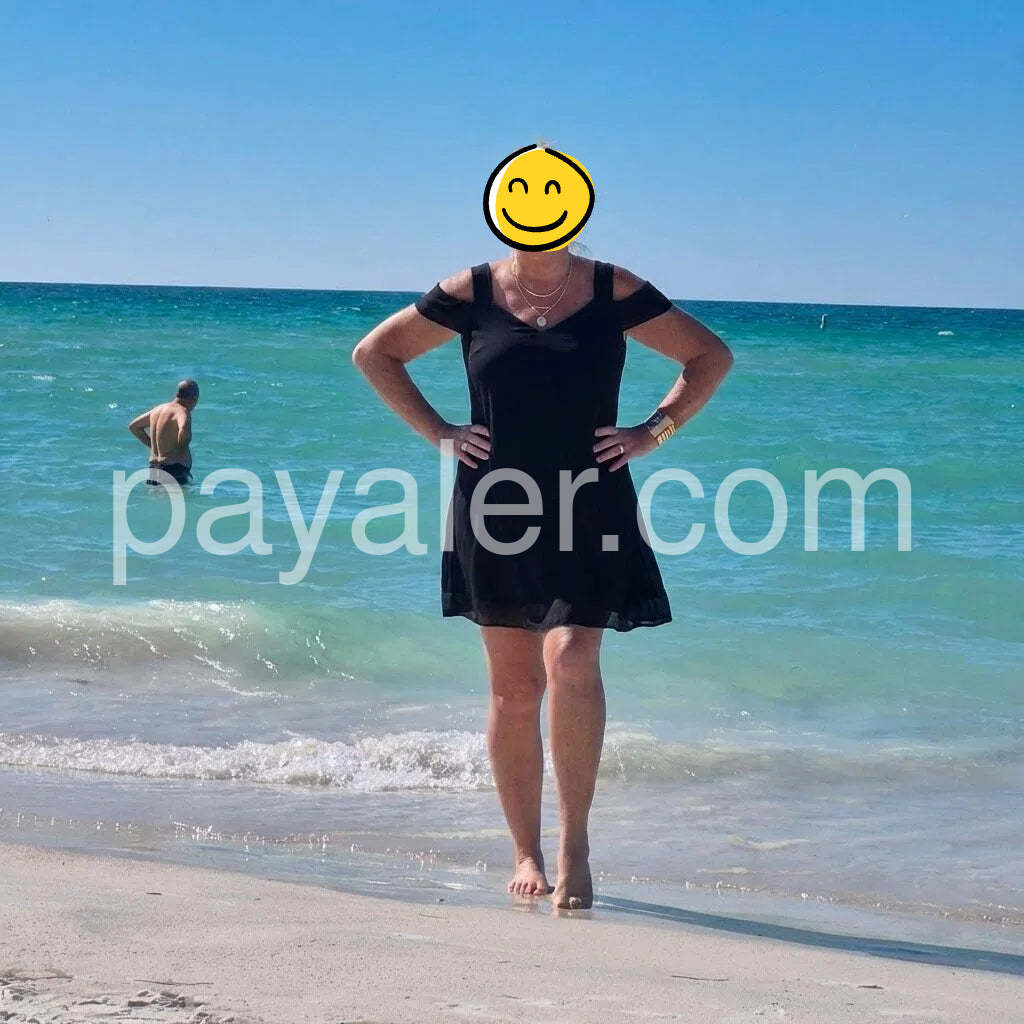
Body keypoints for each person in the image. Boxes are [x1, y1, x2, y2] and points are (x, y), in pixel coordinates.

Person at [352, 251, 733, 909]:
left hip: (592, 501)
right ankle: (525, 850)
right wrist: (439, 432)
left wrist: (654, 432)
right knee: (515, 687)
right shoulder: (471, 291)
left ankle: (573, 846)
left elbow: (709, 356)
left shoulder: (612, 288)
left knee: (573, 655)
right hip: (494, 504)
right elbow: (375, 354)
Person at [127, 379, 199, 486]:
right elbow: (183, 428)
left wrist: (152, 445)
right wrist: (180, 449)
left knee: (156, 496)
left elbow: (134, 427)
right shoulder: (182, 411)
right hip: (174, 471)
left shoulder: (157, 410)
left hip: (153, 471)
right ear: (194, 397)